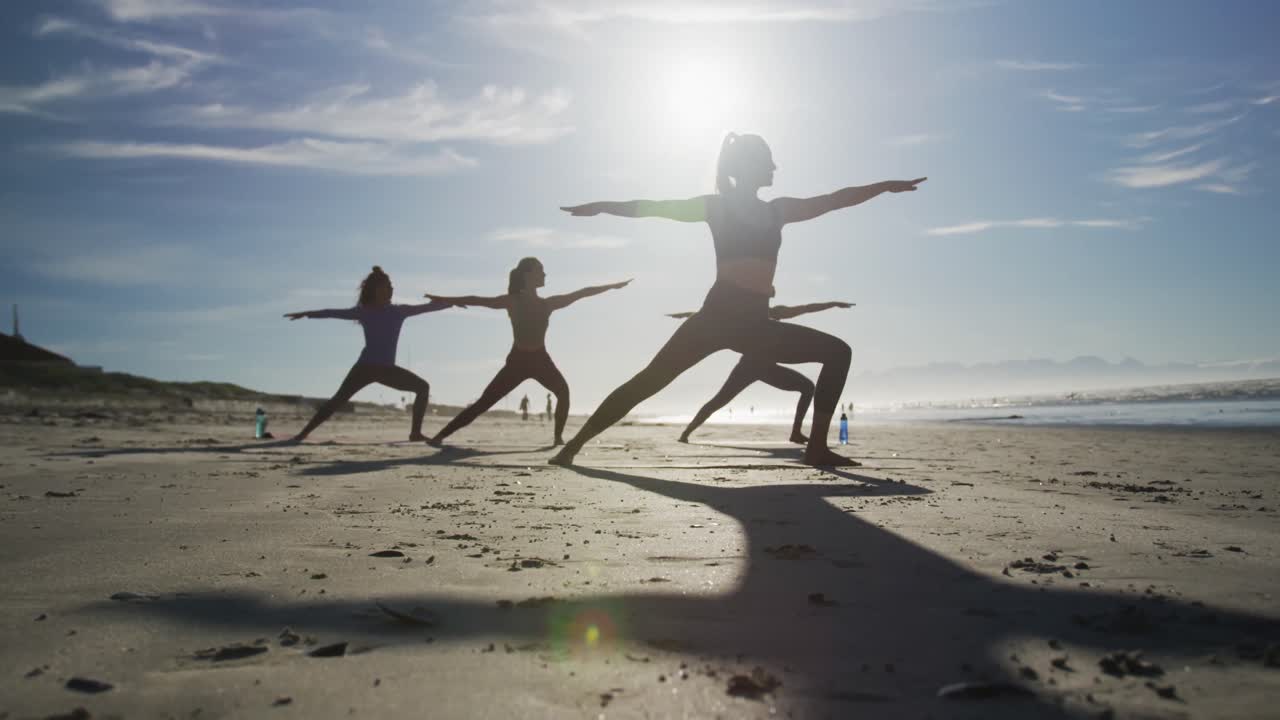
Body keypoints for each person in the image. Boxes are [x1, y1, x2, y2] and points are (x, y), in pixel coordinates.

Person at [550, 132, 925, 466]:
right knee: (649, 381)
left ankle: (817, 448)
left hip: (755, 326)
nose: (775, 167)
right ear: (748, 165)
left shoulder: (777, 210)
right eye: (768, 161)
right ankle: (574, 446)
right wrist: (602, 205)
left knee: (838, 352)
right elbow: (653, 207)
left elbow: (833, 200)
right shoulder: (716, 207)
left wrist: (884, 186)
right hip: (714, 319)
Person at [425, 258, 630, 446]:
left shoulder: (547, 304)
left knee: (563, 393)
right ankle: (440, 437)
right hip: (518, 362)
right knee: (483, 403)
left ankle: (558, 438)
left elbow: (581, 293)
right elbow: (477, 299)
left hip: (541, 360)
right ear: (527, 275)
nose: (544, 275)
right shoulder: (513, 301)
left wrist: (611, 286)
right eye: (540, 270)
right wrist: (445, 298)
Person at [284, 266, 452, 443]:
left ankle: (415, 433)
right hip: (365, 368)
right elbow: (332, 312)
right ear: (375, 290)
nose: (391, 290)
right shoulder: (364, 312)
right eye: (387, 286)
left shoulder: (398, 311)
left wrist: (451, 301)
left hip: (386, 369)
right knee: (338, 400)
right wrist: (307, 314)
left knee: (422, 387)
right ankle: (302, 434)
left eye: (391, 286)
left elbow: (427, 308)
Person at [666, 301, 854, 444]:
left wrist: (832, 304)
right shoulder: (752, 315)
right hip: (747, 367)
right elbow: (711, 317)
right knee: (720, 400)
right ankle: (686, 433)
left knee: (807, 387)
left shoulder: (774, 312)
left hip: (767, 368)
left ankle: (796, 433)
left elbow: (805, 308)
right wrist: (685, 315)